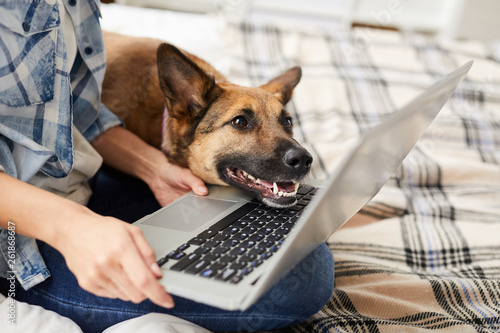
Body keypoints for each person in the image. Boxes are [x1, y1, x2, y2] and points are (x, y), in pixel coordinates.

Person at [0, 1, 335, 332]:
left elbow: (77, 115)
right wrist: (70, 228)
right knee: (298, 280)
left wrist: (154, 169)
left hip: (78, 184)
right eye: (241, 123)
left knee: (292, 243)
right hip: (18, 244)